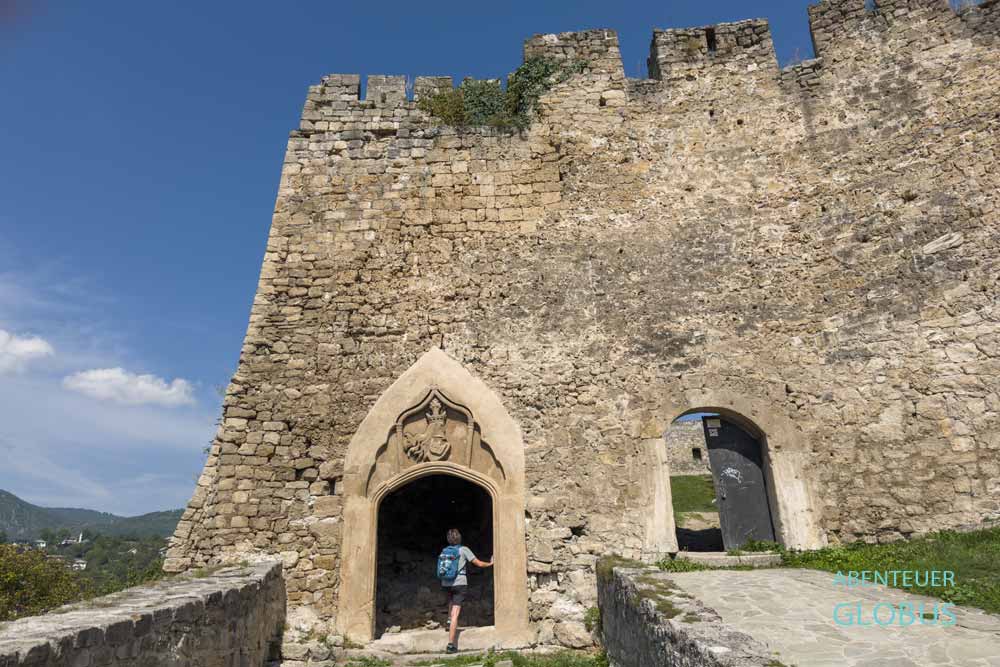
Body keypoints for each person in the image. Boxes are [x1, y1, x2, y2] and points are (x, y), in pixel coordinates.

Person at [441, 528, 492, 653]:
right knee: (455, 614)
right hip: (459, 583)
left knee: (451, 601)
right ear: (459, 538)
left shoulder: (445, 551)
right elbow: (478, 563)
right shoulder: (463, 550)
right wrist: (491, 564)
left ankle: (448, 621)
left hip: (446, 583)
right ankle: (451, 645)